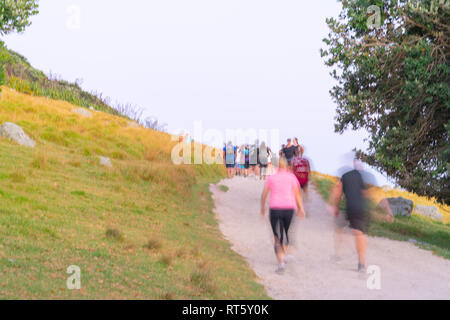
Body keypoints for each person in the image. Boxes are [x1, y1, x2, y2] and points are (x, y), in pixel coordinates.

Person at [261, 156, 306, 274]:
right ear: (286, 166)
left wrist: (262, 207)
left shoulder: (272, 178)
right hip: (289, 209)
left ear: (277, 166)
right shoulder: (292, 177)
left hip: (275, 209)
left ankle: (281, 262)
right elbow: (297, 194)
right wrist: (301, 208)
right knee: (286, 234)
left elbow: (264, 194)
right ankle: (284, 255)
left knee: (277, 237)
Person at [329, 159, 372, 272]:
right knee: (358, 234)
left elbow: (338, 191)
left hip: (351, 207)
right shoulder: (363, 177)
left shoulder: (345, 176)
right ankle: (361, 263)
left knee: (340, 229)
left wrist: (336, 206)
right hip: (360, 208)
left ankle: (338, 255)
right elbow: (365, 194)